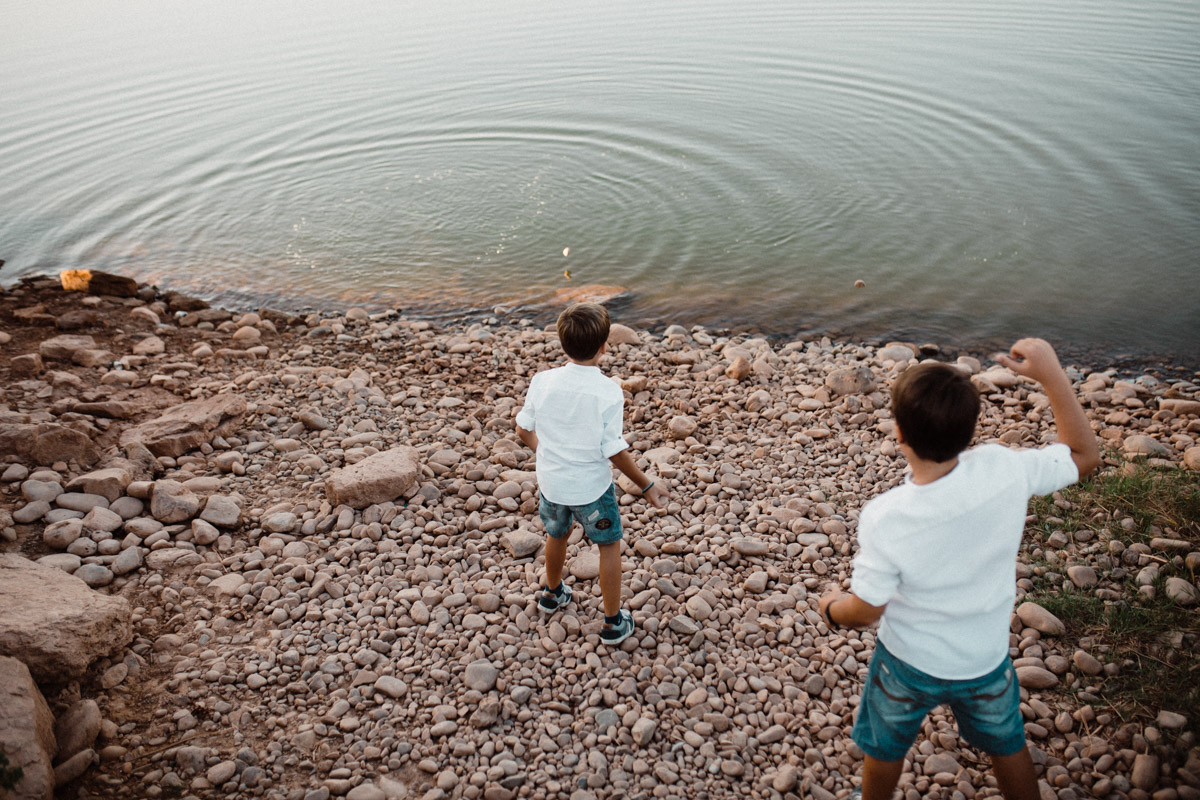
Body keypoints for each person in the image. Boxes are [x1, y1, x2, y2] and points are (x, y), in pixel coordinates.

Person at [818, 338, 1100, 800]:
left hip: (906, 664)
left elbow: (867, 610)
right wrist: (1051, 375)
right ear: (969, 430)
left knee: (885, 746)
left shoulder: (887, 515)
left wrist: (831, 608)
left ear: (899, 433)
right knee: (1007, 744)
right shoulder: (1004, 468)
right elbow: (1084, 457)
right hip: (983, 660)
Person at [515, 302, 670, 646]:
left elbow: (523, 430)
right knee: (608, 545)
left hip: (553, 485)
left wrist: (549, 453)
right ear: (604, 346)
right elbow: (612, 450)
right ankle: (614, 623)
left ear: (561, 343)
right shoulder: (608, 391)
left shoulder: (542, 381)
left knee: (557, 535)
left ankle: (552, 593)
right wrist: (646, 485)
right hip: (592, 492)